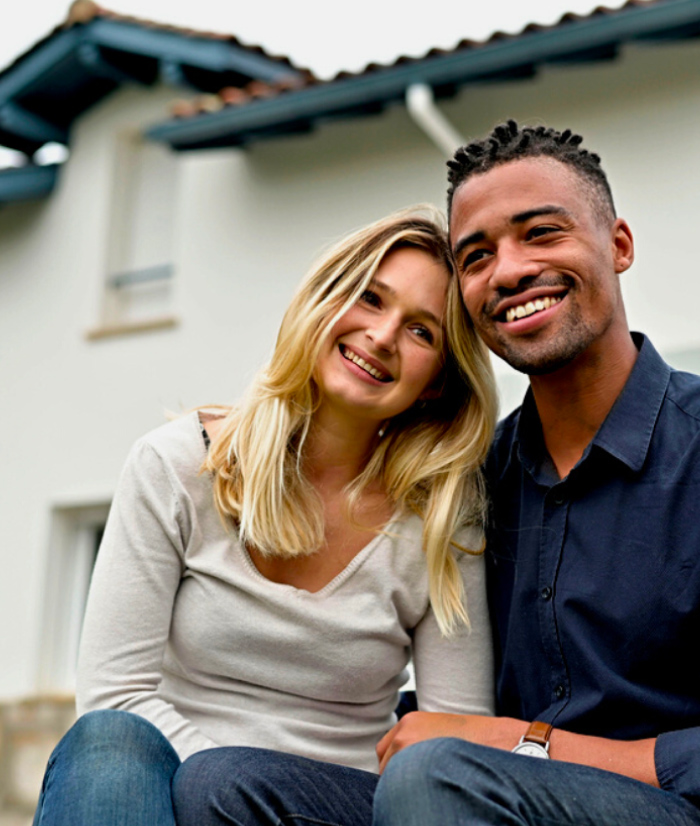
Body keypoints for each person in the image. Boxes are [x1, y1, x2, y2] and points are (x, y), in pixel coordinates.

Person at [32, 208, 497, 826]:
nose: (382, 336)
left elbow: (454, 738)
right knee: (106, 742)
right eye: (368, 298)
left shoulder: (440, 519)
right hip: (165, 794)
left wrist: (244, 794)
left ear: (437, 382)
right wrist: (220, 790)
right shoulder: (175, 467)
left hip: (333, 808)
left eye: (421, 332)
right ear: (322, 304)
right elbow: (116, 693)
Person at [371, 122, 700, 825]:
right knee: (232, 782)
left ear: (619, 246)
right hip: (477, 797)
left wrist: (521, 744)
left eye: (541, 233)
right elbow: (437, 711)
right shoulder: (469, 482)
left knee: (437, 776)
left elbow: (470, 750)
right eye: (477, 256)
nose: (510, 272)